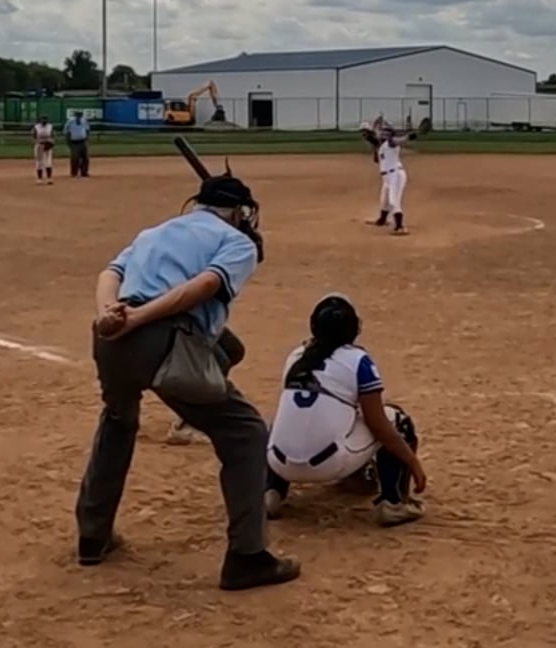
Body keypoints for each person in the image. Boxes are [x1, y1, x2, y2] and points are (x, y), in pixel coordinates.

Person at [74, 167, 300, 592]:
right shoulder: (236, 241)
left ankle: (92, 535)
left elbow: (110, 274)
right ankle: (247, 557)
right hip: (161, 340)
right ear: (239, 211)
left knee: (119, 420)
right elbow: (205, 286)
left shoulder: (156, 231)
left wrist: (110, 315)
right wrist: (139, 318)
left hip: (111, 339)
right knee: (246, 433)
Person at [264, 294, 427, 526]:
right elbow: (378, 424)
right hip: (329, 463)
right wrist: (413, 462)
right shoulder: (357, 360)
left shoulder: (296, 356)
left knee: (284, 421)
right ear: (354, 329)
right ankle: (393, 502)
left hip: (279, 462)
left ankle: (270, 491)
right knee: (396, 420)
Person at [362, 116, 414, 234]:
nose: (380, 134)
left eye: (383, 132)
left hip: (395, 175)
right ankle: (382, 220)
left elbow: (399, 140)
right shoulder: (381, 147)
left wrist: (408, 137)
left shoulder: (391, 142)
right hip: (387, 177)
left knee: (393, 201)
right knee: (384, 201)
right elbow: (377, 160)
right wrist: (374, 146)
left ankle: (400, 227)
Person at [67, 111, 92, 177]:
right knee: (75, 158)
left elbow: (87, 130)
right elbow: (67, 132)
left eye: (80, 115)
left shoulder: (84, 121)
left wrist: (87, 139)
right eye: (77, 115)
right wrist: (68, 142)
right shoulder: (70, 122)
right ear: (75, 115)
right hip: (74, 142)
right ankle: (74, 172)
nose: (79, 116)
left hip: (83, 141)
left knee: (86, 158)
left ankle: (84, 172)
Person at [33, 117, 55, 184]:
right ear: (40, 120)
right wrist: (40, 143)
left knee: (48, 162)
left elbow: (52, 136)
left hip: (48, 145)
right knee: (39, 162)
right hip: (39, 145)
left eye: (45, 119)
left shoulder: (50, 126)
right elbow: (34, 137)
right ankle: (39, 179)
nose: (44, 121)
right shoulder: (36, 127)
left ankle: (49, 178)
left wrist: (51, 143)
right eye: (43, 119)